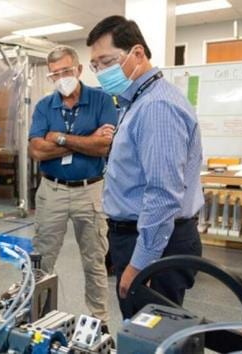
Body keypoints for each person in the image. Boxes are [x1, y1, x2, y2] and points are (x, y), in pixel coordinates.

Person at [87, 16, 203, 319]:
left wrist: (140, 264)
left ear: (137, 54)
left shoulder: (156, 106)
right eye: (95, 66)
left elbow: (163, 195)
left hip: (156, 243)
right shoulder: (136, 101)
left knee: (152, 334)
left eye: (106, 61)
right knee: (149, 330)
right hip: (141, 237)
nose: (100, 72)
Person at [28, 45, 116, 328]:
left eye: (66, 71)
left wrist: (61, 139)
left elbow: (104, 144)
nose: (61, 78)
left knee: (94, 261)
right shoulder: (44, 106)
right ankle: (37, 318)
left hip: (90, 190)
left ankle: (99, 321)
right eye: (55, 74)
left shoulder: (102, 101)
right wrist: (84, 141)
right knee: (42, 260)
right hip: (52, 190)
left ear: (78, 70)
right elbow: (37, 151)